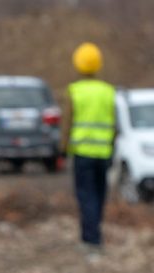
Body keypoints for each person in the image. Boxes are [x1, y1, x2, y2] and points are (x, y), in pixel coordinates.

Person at [61, 42, 116, 253]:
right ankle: (96, 235)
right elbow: (114, 124)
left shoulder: (75, 91)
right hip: (103, 153)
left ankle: (89, 239)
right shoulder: (108, 92)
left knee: (86, 196)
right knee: (100, 195)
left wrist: (63, 150)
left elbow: (68, 124)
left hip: (83, 154)